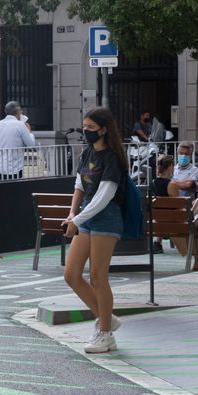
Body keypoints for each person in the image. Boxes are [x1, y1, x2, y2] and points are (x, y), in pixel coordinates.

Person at [62, 107, 127, 354]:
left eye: (90, 128)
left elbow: (105, 196)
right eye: (84, 127)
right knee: (71, 274)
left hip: (106, 217)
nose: (85, 132)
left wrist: (77, 219)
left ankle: (105, 332)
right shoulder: (88, 151)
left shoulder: (113, 158)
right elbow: (80, 184)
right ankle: (106, 317)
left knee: (98, 276)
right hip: (87, 215)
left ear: (103, 129)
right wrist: (72, 213)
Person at [0, 101, 36, 180]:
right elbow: (31, 144)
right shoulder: (20, 124)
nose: (21, 112)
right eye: (21, 110)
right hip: (14, 168)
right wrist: (29, 131)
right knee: (14, 190)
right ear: (17, 111)